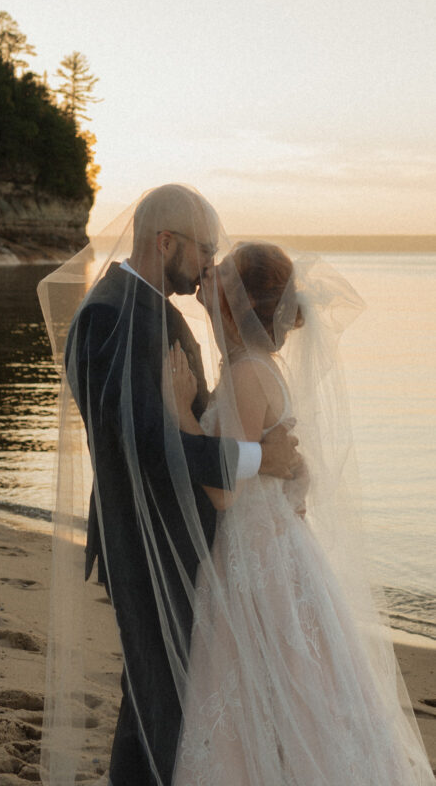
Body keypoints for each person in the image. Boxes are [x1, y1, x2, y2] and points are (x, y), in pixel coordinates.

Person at [37, 186, 299, 786]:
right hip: (144, 538)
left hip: (177, 533)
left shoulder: (158, 308)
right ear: (165, 242)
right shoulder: (109, 316)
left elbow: (193, 415)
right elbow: (148, 448)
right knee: (162, 698)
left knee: (157, 695)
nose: (212, 265)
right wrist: (261, 458)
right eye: (204, 250)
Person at [169, 241, 434, 785]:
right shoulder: (262, 366)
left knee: (266, 692)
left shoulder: (245, 373)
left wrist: (180, 411)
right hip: (278, 550)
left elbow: (224, 491)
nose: (208, 274)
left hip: (254, 560)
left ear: (237, 299)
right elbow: (290, 472)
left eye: (220, 272)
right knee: (297, 691)